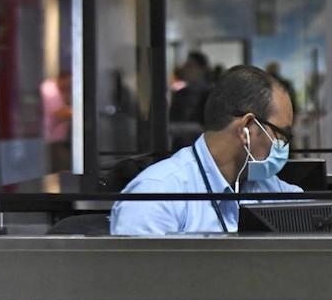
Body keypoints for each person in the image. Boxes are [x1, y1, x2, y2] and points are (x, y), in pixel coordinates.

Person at [111, 65, 301, 235]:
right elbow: (140, 273)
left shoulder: (265, 187)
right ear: (247, 128)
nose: (284, 144)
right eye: (280, 133)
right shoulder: (154, 198)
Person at [169, 51, 214, 149]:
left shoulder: (211, 94)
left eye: (190, 66)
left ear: (201, 69)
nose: (185, 69)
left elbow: (208, 126)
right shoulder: (180, 94)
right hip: (180, 148)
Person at [40, 71, 72, 172]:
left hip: (57, 138)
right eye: (69, 83)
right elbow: (60, 113)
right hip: (50, 139)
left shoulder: (60, 90)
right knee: (61, 167)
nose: (69, 87)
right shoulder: (50, 89)